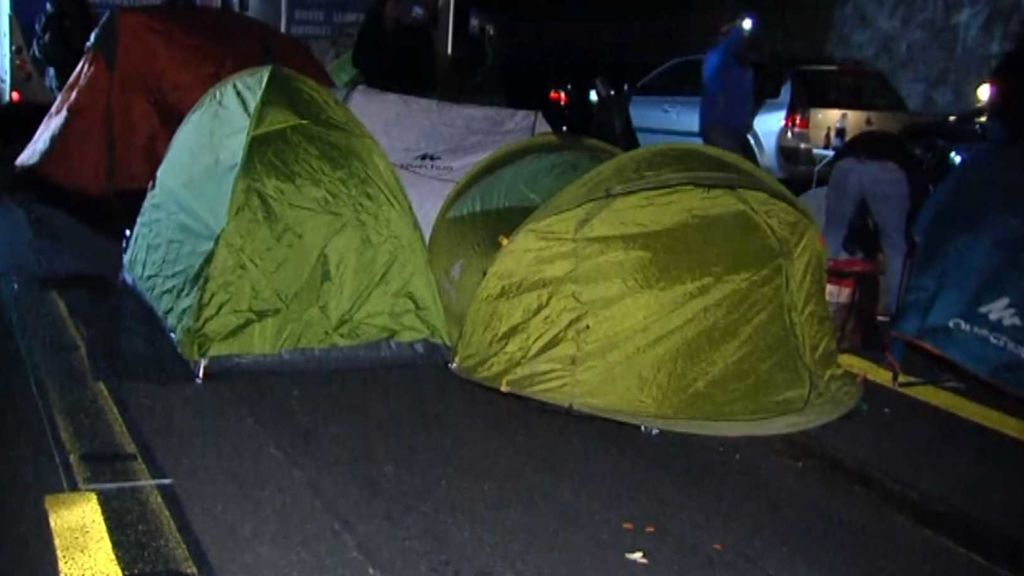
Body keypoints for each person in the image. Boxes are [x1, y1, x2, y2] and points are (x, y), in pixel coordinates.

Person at [824, 131, 925, 316]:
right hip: (888, 170)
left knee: (833, 234)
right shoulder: (909, 161)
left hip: (845, 164)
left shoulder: (871, 141)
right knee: (895, 245)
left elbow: (854, 223)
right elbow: (914, 208)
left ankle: (816, 294)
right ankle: (892, 310)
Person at [699, 15, 757, 163]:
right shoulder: (719, 58)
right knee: (737, 167)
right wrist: (737, 27)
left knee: (746, 167)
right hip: (718, 126)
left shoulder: (741, 67)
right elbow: (731, 45)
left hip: (736, 129)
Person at [352, 0, 436, 97]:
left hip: (408, 98)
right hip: (374, 95)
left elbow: (427, 78)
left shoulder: (418, 29)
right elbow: (358, 59)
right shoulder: (374, 18)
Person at [31, 0, 94, 96]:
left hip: (64, 78)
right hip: (79, 76)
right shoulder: (84, 13)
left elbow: (52, 53)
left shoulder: (56, 18)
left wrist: (41, 47)